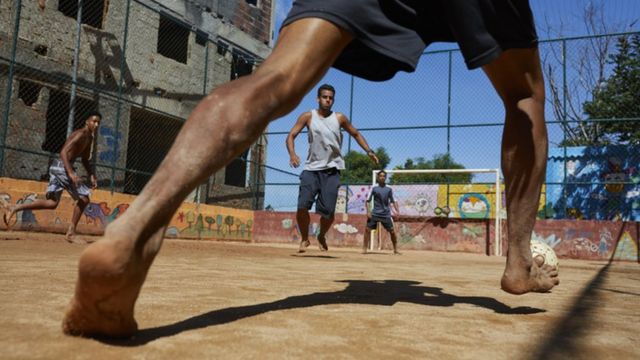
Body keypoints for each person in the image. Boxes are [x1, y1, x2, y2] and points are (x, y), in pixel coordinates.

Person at [62, 0, 559, 338]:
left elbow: (348, 131)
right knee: (524, 96)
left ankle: (137, 227)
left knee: (275, 78)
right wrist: (300, 151)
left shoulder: (337, 117)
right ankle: (517, 262)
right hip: (316, 166)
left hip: (329, 164)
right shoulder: (316, 118)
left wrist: (358, 149)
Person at [287, 84, 379, 253]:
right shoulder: (308, 116)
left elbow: (356, 133)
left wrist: (369, 151)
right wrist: (292, 154)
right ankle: (305, 238)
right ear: (318, 98)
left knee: (328, 213)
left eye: (331, 98)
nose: (328, 100)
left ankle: (321, 235)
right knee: (301, 206)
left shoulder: (339, 118)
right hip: (311, 169)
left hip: (332, 170)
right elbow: (291, 135)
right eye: (324, 97)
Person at [3, 112, 101, 244]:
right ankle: (71, 233)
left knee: (52, 203)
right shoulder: (80, 134)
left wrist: (91, 174)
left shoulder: (89, 138)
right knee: (84, 198)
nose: (96, 124)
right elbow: (63, 152)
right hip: (62, 167)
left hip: (58, 168)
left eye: (98, 123)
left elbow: (84, 159)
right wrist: (71, 172)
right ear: (87, 121)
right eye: (94, 121)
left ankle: (14, 207)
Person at [363, 170, 400, 255]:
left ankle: (395, 249)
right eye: (380, 176)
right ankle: (364, 248)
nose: (382, 177)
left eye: (384, 176)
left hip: (386, 214)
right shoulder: (374, 188)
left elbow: (394, 201)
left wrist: (397, 211)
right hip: (375, 213)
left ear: (386, 178)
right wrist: (368, 211)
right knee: (367, 230)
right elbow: (367, 201)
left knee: (392, 231)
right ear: (378, 177)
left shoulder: (389, 188)